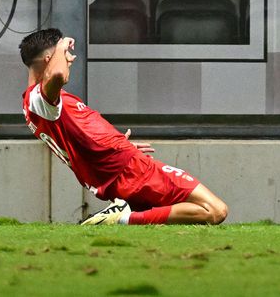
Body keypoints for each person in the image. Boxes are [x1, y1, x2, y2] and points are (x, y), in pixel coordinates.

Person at [18, 28, 228, 225]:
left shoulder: (37, 105)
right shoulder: (39, 99)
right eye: (66, 55)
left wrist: (117, 144)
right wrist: (62, 45)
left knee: (172, 215)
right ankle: (120, 218)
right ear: (49, 59)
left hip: (120, 168)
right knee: (215, 210)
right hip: (129, 169)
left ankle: (123, 215)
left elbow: (76, 141)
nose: (71, 58)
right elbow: (57, 75)